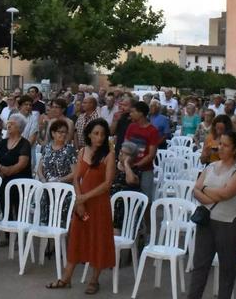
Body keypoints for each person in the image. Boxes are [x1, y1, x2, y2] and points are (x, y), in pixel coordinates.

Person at [46, 118, 116, 294]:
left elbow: (107, 184)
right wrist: (79, 200)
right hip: (83, 206)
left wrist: (85, 197)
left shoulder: (109, 154)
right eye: (96, 133)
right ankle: (66, 278)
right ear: (89, 135)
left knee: (98, 238)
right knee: (77, 236)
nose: (99, 137)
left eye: (102, 134)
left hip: (99, 206)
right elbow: (76, 177)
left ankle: (94, 280)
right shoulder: (83, 151)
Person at [187, 131, 236, 299]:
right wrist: (212, 195)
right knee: (200, 265)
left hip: (230, 223)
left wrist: (205, 190)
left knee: (227, 268)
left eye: (226, 145)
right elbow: (196, 190)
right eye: (220, 144)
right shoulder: (211, 166)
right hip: (207, 221)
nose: (220, 148)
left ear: (235, 149)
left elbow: (226, 193)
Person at [124, 102, 160, 206]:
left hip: (145, 170)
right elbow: (125, 146)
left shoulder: (152, 131)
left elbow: (151, 155)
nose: (130, 114)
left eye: (133, 112)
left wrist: (136, 165)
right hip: (129, 168)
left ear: (140, 113)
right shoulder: (131, 127)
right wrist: (127, 163)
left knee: (145, 200)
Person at [110, 141, 141, 230]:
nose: (121, 154)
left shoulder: (135, 170)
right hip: (110, 201)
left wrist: (126, 164)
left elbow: (130, 181)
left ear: (132, 157)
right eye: (121, 151)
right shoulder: (113, 165)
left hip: (126, 206)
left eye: (125, 153)